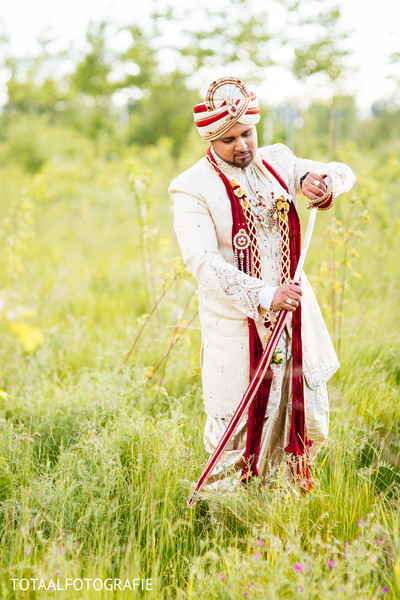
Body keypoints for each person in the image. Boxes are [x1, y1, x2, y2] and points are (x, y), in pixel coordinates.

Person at [168, 76, 356, 492]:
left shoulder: (277, 160)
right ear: (210, 141)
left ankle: (285, 515)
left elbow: (341, 172)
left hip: (296, 324)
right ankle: (229, 527)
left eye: (247, 133)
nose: (241, 145)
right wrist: (267, 295)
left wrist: (321, 185)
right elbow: (202, 262)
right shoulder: (190, 187)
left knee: (308, 422)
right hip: (239, 328)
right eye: (228, 139)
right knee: (235, 439)